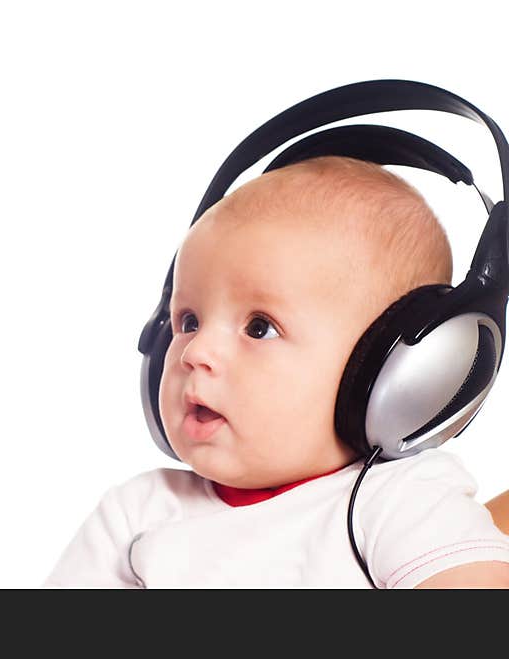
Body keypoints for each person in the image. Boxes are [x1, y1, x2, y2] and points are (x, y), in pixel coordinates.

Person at [43, 156, 509, 588]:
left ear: (395, 375)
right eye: (188, 321)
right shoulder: (136, 514)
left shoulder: (403, 503)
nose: (195, 351)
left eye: (259, 328)